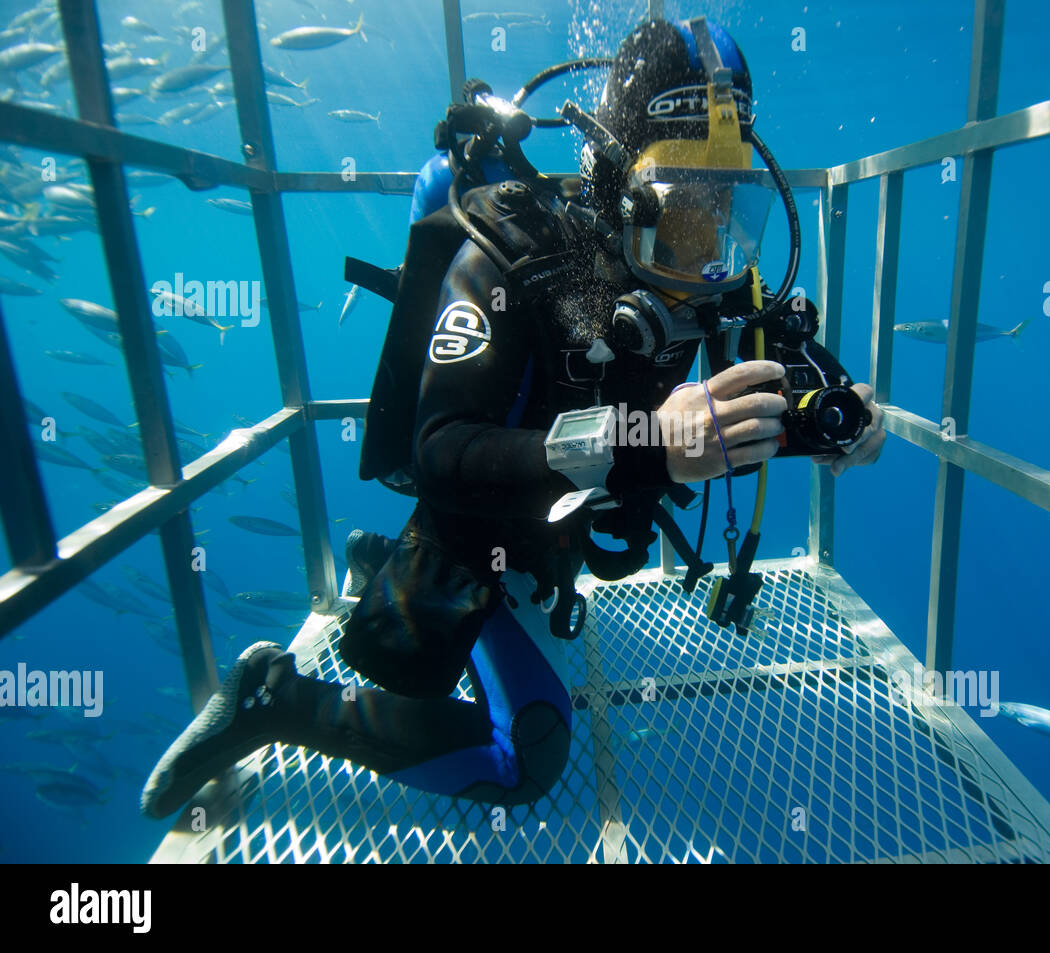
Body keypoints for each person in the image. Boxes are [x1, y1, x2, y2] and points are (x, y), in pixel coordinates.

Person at [139, 16, 885, 821]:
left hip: (555, 535)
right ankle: (275, 699)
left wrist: (840, 410)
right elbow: (442, 450)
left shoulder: (709, 270)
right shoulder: (511, 254)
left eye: (727, 202)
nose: (706, 240)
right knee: (527, 754)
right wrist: (652, 442)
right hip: (481, 520)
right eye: (680, 198)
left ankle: (377, 563)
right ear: (618, 181)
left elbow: (784, 349)